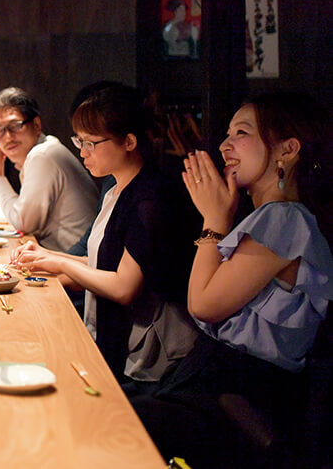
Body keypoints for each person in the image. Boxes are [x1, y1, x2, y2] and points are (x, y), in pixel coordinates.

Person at [131, 92, 333, 469]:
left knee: (110, 426)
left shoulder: (286, 219)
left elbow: (203, 305)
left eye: (241, 132)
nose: (225, 145)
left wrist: (213, 221)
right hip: (223, 385)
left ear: (287, 149)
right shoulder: (270, 217)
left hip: (239, 397)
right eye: (227, 133)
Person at [12, 83, 199, 384]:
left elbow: (124, 287)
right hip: (116, 337)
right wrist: (46, 255)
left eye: (91, 143)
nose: (83, 152)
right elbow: (104, 261)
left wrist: (60, 263)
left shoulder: (150, 198)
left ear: (128, 142)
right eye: (79, 141)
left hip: (149, 355)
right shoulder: (116, 187)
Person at [0, 87, 98, 251]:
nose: (8, 136)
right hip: (64, 260)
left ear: (36, 125)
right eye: (0, 130)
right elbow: (26, 212)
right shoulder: (45, 149)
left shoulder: (42, 156)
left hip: (74, 266)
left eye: (16, 125)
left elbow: (24, 223)